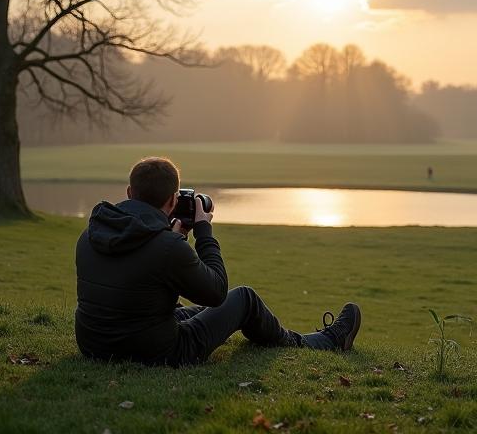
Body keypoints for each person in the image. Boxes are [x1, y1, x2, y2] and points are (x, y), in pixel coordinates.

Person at [75, 157, 362, 367]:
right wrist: (203, 232)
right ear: (173, 201)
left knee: (194, 310)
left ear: (129, 193)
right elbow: (216, 292)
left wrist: (175, 239)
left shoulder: (92, 233)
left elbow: (140, 280)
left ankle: (299, 337)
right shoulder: (166, 247)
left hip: (94, 344)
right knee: (243, 298)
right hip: (158, 352)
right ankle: (321, 342)